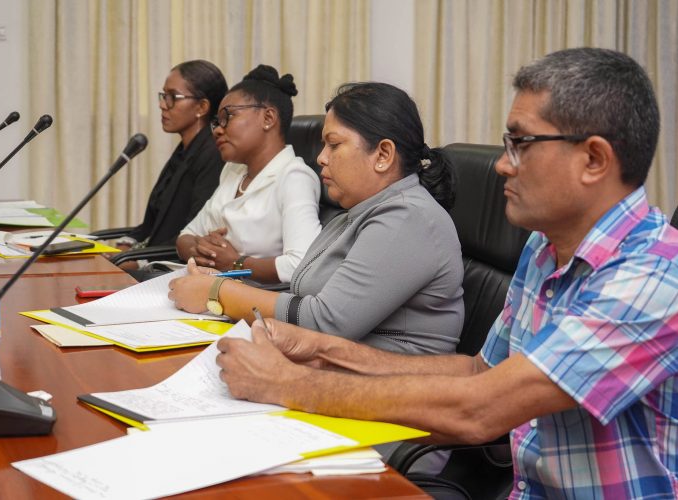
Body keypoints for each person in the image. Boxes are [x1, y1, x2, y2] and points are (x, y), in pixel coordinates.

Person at [214, 48, 678, 498]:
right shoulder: (545, 248)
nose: (501, 165)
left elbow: (483, 408)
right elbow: (478, 370)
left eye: (520, 144)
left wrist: (289, 384)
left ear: (594, 160)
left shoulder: (656, 276)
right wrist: (325, 348)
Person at [171, 82, 464, 355]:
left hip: (394, 392)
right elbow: (299, 296)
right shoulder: (354, 215)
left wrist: (218, 292)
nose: (321, 158)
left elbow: (327, 321)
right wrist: (223, 281)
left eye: (334, 145)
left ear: (383, 154)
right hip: (332, 371)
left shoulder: (408, 217)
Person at [175, 65, 321, 284]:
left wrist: (236, 264)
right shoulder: (233, 172)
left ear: (268, 118)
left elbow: (302, 265)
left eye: (228, 116)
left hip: (253, 305)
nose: (217, 129)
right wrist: (203, 249)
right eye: (217, 121)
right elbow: (185, 236)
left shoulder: (293, 177)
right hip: (208, 289)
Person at [115, 60, 227, 256]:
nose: (162, 105)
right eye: (163, 95)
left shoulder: (213, 155)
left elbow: (195, 232)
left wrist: (135, 260)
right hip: (148, 257)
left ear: (202, 107)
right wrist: (126, 245)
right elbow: (154, 223)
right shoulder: (184, 149)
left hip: (171, 266)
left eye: (172, 97)